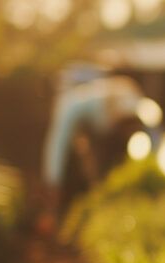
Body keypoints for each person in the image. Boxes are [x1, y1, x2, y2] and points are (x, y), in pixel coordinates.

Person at [39, 72, 154, 231]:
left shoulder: (131, 105)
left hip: (103, 139)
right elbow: (57, 144)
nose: (130, 130)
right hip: (85, 137)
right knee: (80, 172)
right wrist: (53, 181)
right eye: (128, 126)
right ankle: (62, 217)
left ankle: (97, 208)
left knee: (102, 175)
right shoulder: (72, 104)